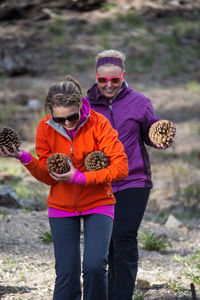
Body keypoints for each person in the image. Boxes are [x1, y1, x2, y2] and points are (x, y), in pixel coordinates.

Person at [0, 75, 128, 300]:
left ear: (81, 105)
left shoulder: (99, 124)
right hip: (61, 205)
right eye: (60, 119)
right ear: (51, 112)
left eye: (72, 116)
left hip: (98, 202)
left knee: (95, 266)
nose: (68, 123)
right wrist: (23, 156)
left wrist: (80, 177)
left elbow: (121, 167)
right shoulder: (44, 128)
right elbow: (49, 177)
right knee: (66, 273)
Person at [86, 49, 174, 300]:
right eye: (103, 80)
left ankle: (121, 296)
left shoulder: (140, 102)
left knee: (124, 236)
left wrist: (161, 139)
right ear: (96, 77)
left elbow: (151, 133)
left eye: (115, 80)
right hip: (99, 182)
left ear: (123, 76)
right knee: (106, 245)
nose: (109, 85)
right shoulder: (86, 106)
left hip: (133, 180)